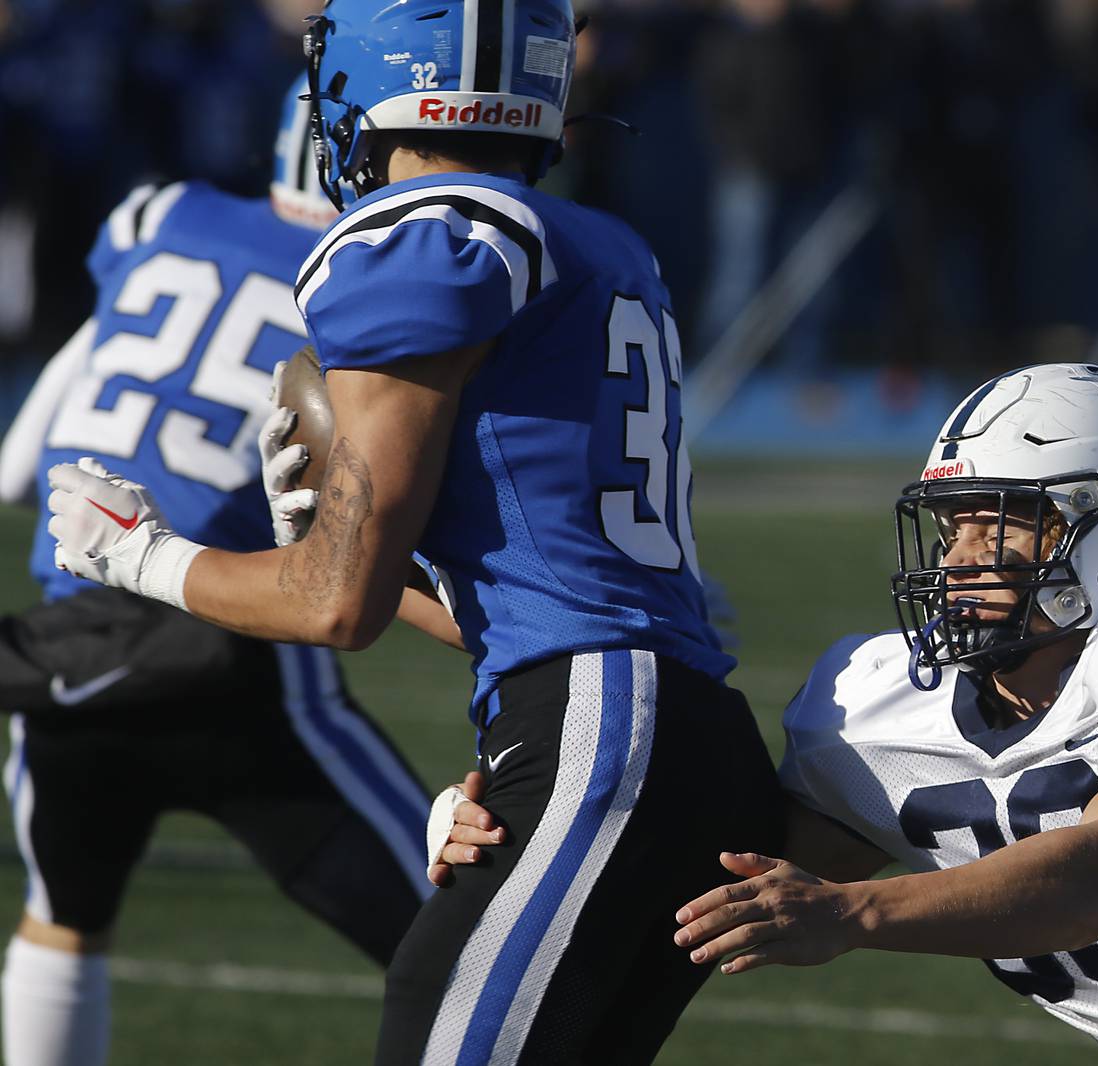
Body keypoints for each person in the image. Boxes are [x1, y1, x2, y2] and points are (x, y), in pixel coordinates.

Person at [44, 3, 783, 1064]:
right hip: (668, 729)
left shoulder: (418, 235)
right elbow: (520, 595)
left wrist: (139, 555)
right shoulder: (603, 242)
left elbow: (328, 603)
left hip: (597, 730)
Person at [432, 363, 1098, 1063]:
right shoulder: (871, 704)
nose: (959, 556)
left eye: (1002, 521)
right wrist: (515, 828)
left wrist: (857, 913)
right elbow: (714, 893)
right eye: (953, 521)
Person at [0, 78, 434, 1066]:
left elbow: (17, 469)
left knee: (65, 916)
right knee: (455, 941)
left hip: (75, 643)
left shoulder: (164, 216)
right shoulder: (380, 273)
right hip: (240, 648)